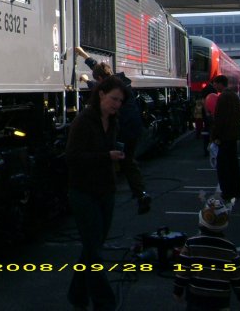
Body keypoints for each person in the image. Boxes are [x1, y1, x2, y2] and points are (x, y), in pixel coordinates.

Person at [65, 76, 127, 311]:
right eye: (114, 99)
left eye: (120, 101)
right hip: (83, 192)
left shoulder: (112, 122)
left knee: (93, 247)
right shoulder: (82, 122)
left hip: (105, 191)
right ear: (101, 94)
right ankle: (105, 302)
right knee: (94, 250)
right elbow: (72, 158)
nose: (117, 104)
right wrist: (106, 157)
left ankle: (77, 294)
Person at [75, 47, 151, 214]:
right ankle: (140, 194)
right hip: (133, 127)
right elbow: (101, 70)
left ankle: (108, 196)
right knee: (128, 161)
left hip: (123, 129)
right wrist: (84, 56)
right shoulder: (119, 81)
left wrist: (88, 81)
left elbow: (101, 86)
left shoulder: (111, 87)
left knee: (114, 160)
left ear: (101, 79)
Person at [173, 197, 240, 309]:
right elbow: (236, 277)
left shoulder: (191, 243)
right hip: (220, 298)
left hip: (195, 296)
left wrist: (178, 291)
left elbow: (183, 270)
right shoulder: (229, 248)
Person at [211, 90, 240, 201]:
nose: (213, 86)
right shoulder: (235, 97)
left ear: (219, 84)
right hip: (233, 136)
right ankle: (237, 190)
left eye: (215, 83)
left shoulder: (223, 98)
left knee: (223, 166)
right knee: (233, 164)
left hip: (225, 138)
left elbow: (219, 119)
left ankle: (227, 192)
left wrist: (215, 136)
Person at [202, 75, 228, 155]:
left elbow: (204, 101)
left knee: (208, 131)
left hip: (209, 115)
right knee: (210, 131)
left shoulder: (206, 89)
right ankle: (211, 147)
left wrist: (206, 112)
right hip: (212, 115)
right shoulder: (214, 90)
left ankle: (208, 148)